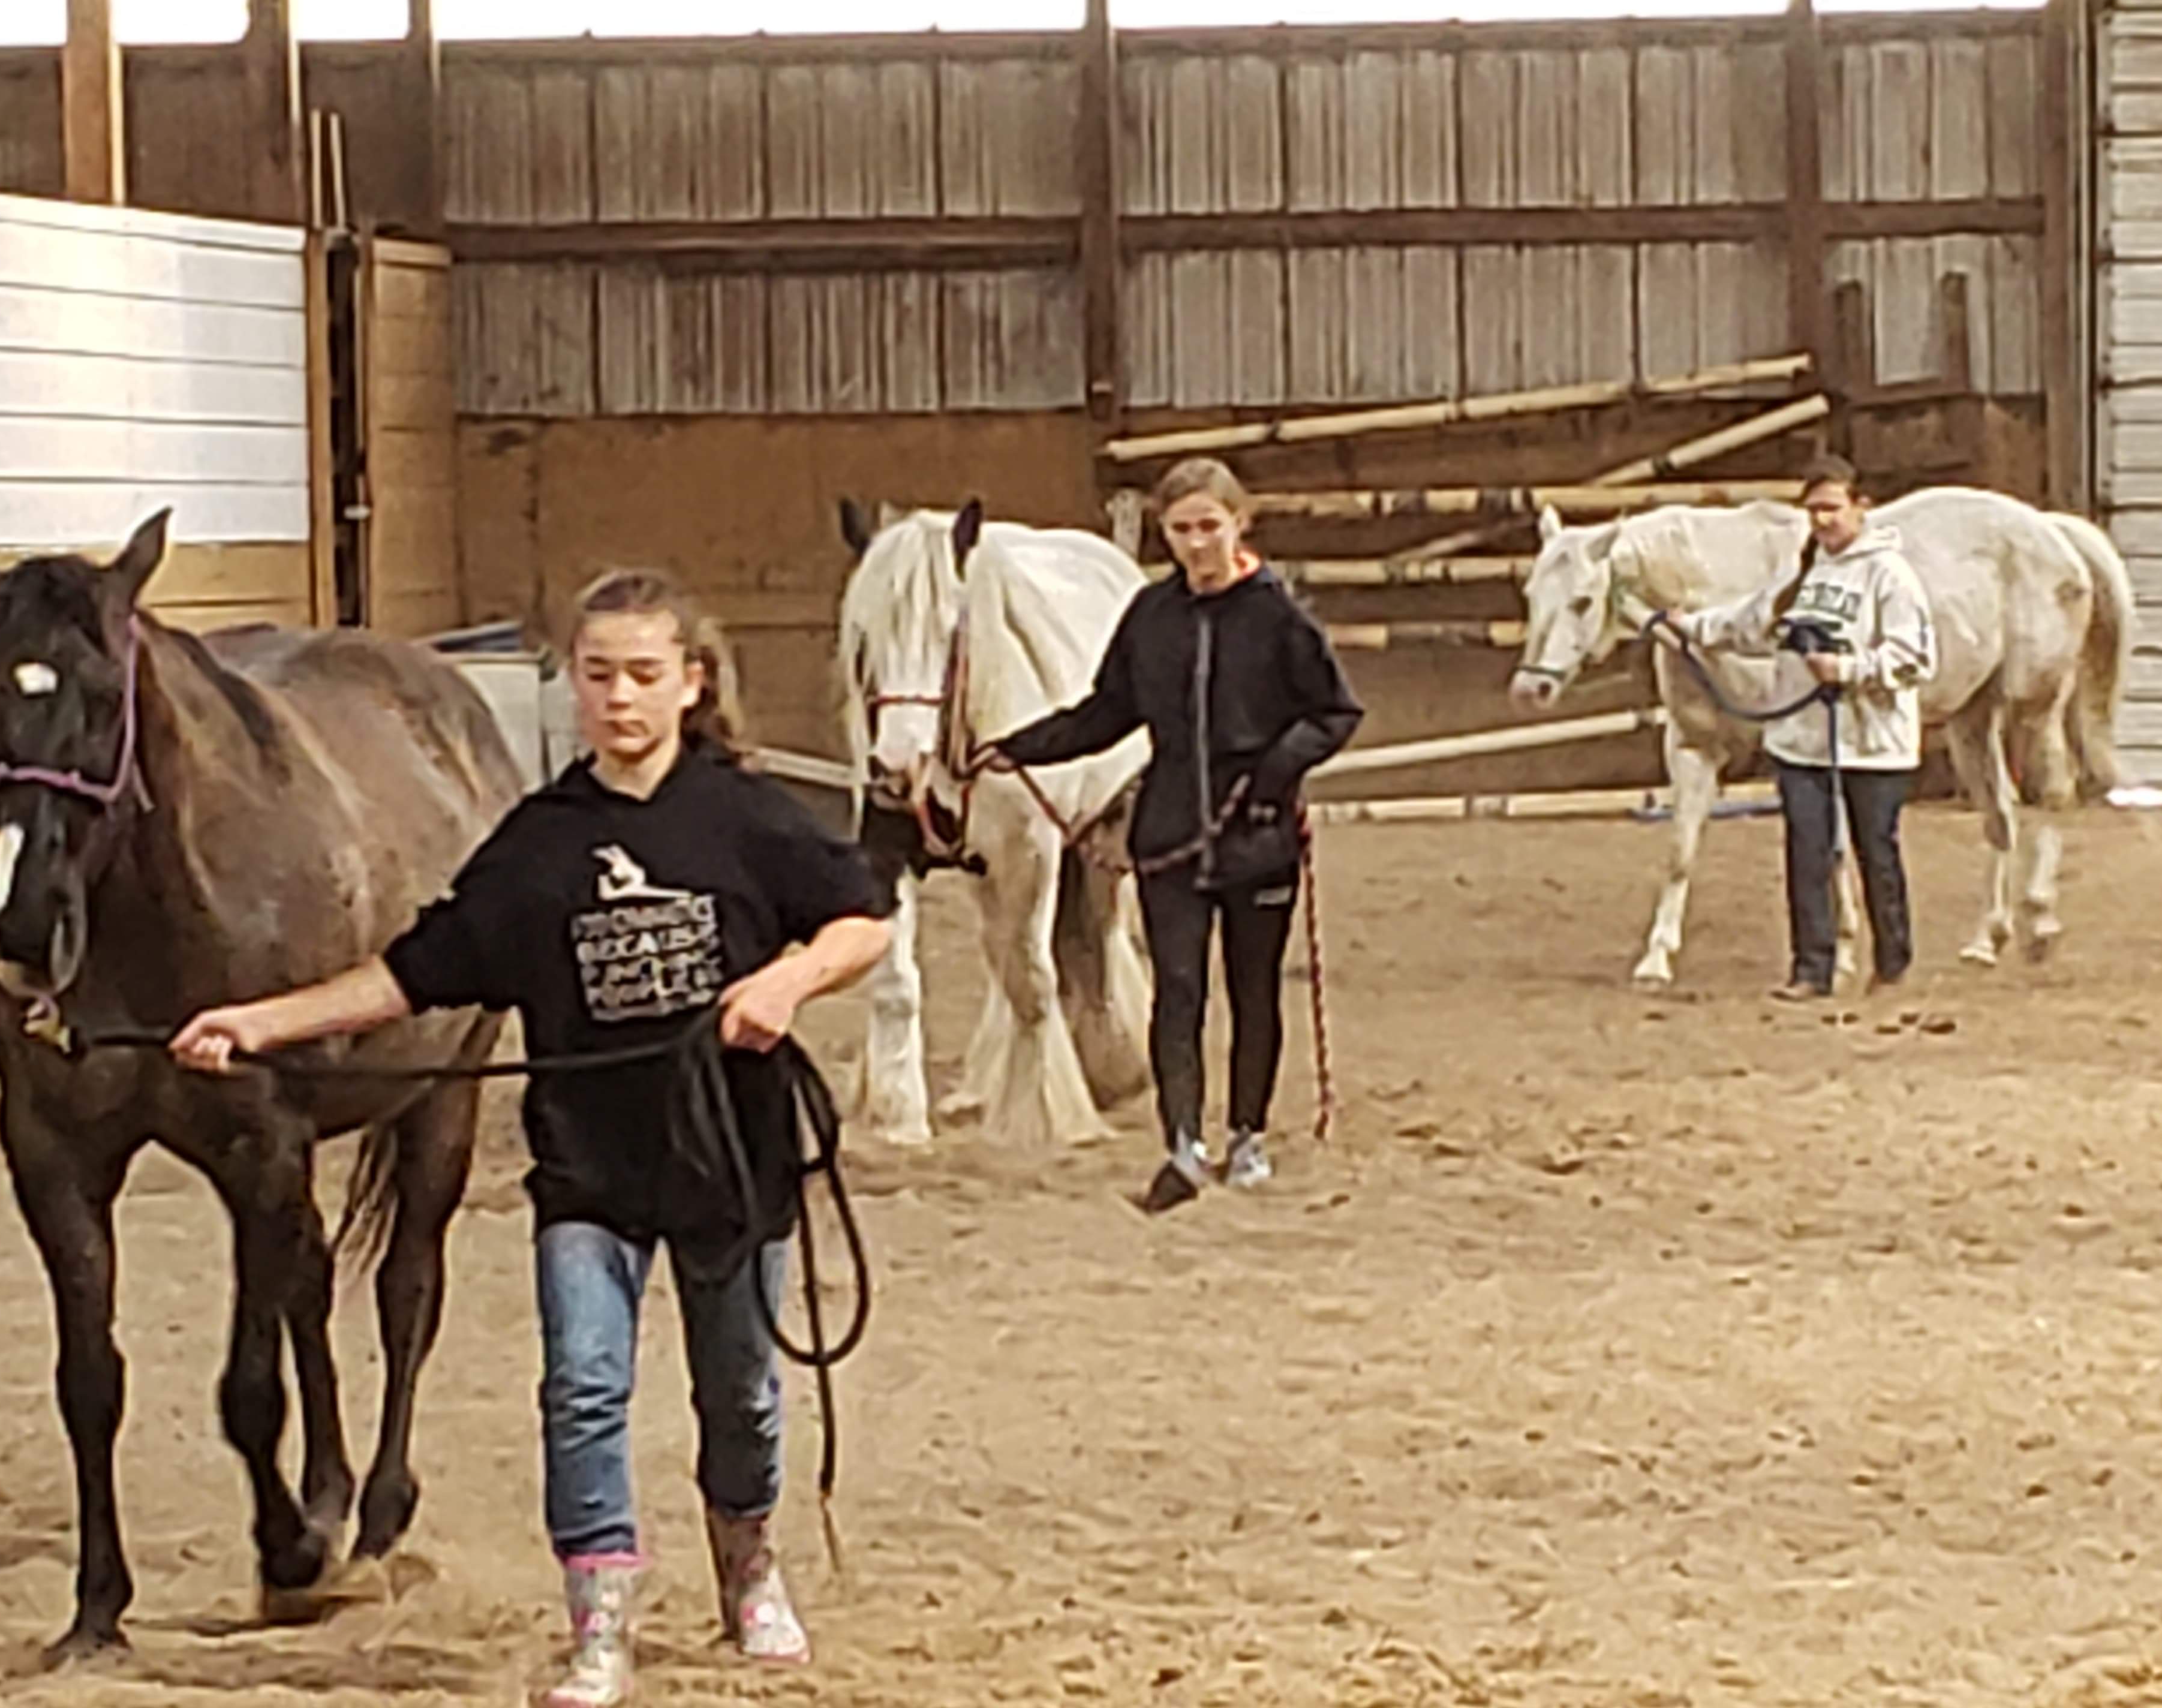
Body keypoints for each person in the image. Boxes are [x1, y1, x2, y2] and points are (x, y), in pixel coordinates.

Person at [170, 570, 894, 1708]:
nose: (619, 697)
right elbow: (418, 968)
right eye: (597, 674)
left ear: (690, 682)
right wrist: (259, 1019)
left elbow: (862, 918)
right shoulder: (542, 839)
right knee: (583, 1386)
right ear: (573, 683)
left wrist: (788, 978)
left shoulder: (748, 815)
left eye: (644, 675)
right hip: (590, 1166)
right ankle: (598, 1618)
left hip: (729, 1151)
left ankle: (747, 1561)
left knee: (741, 1389)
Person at [986, 456, 1363, 1214]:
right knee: (1178, 990)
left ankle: (1247, 1133)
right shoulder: (1151, 618)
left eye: (1208, 528)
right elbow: (1107, 711)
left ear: (1239, 524)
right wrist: (1021, 745)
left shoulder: (1279, 618)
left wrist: (1275, 773)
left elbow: (1334, 713)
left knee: (1254, 991)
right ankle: (1182, 1139)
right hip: (1170, 835)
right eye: (1181, 531)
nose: (1196, 545)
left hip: (1256, 833)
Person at [1657, 455, 1937, 1003]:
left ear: (1861, 508)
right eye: (1814, 511)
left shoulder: (1890, 576)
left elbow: (1916, 658)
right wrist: (1689, 627)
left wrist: (1850, 670)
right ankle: (1812, 968)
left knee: (1874, 853)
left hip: (1870, 742)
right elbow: (1751, 621)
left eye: (1832, 508)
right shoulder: (1804, 574)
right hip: (1801, 739)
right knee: (1807, 854)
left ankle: (1892, 960)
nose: (1823, 521)